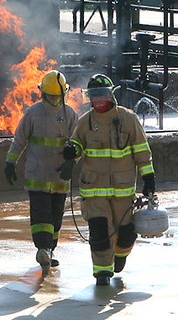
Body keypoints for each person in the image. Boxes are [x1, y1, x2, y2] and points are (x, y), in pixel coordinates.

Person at [63, 73, 156, 286]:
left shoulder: (128, 119)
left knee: (125, 234)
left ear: (110, 95)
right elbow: (78, 144)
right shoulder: (85, 122)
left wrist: (149, 178)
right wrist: (72, 150)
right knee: (99, 232)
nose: (99, 100)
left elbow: (142, 152)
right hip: (93, 191)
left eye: (102, 95)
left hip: (122, 192)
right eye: (94, 96)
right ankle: (102, 274)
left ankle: (121, 254)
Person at [4, 70, 79, 276]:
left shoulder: (70, 115)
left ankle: (50, 249)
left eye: (58, 96)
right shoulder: (33, 113)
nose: (54, 100)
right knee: (41, 213)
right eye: (51, 96)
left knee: (56, 216)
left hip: (59, 178)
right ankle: (42, 248)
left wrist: (72, 162)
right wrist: (10, 161)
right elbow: (19, 139)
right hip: (37, 175)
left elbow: (79, 143)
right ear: (43, 93)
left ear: (63, 95)